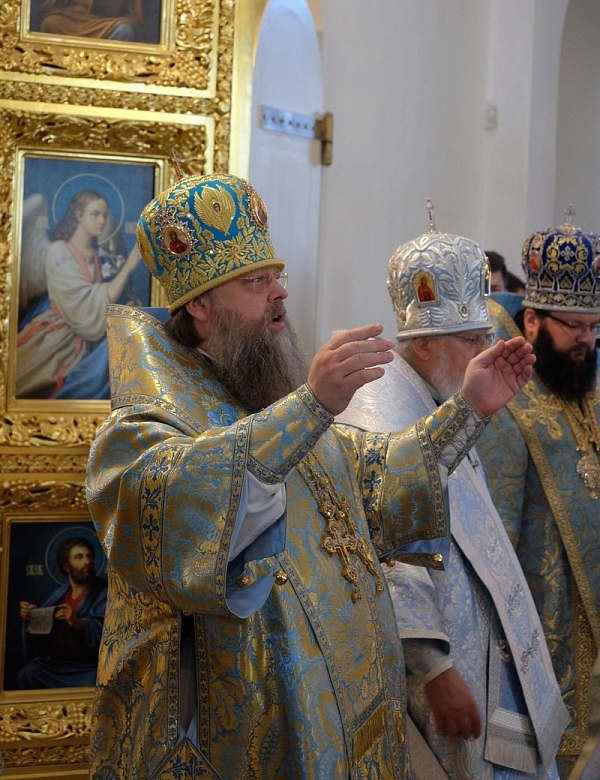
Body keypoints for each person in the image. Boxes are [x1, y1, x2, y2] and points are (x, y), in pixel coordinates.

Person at [85, 172, 536, 779]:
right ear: (199, 304)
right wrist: (312, 406)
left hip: (340, 720)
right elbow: (187, 505)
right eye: (255, 282)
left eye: (276, 276)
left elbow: (372, 479)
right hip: (233, 739)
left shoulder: (262, 397)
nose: (279, 293)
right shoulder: (142, 426)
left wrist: (466, 410)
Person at [338, 222, 567, 779]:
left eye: (484, 337)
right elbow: (392, 556)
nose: (483, 352)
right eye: (471, 341)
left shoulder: (438, 396)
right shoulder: (379, 414)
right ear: (424, 343)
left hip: (482, 638)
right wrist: (435, 669)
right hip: (444, 659)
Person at [477, 211, 600, 779]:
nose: (587, 340)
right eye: (573, 326)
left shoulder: (590, 383)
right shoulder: (506, 398)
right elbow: (494, 533)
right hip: (543, 626)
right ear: (532, 320)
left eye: (595, 326)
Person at [16, 188, 141, 398]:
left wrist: (121, 310)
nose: (102, 221)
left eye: (104, 215)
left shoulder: (95, 255)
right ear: (79, 215)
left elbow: (96, 306)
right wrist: (128, 267)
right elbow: (83, 304)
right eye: (95, 214)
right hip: (55, 340)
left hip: (88, 337)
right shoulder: (58, 251)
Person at [17, 537, 107, 688]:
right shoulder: (59, 595)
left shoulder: (105, 592)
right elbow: (43, 635)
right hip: (56, 665)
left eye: (89, 556)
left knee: (93, 680)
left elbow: (112, 628)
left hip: (88, 665)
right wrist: (31, 617)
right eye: (79, 557)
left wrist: (79, 623)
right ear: (67, 567)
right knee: (27, 673)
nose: (87, 561)